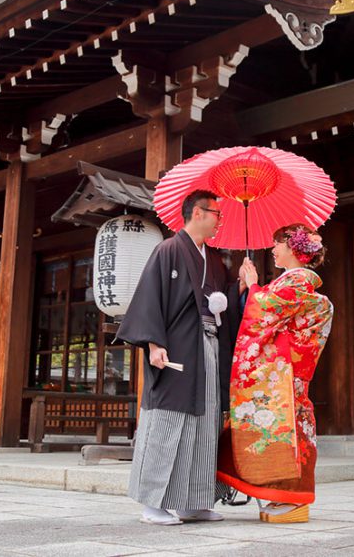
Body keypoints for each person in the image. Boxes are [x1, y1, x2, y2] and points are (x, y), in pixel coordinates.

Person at [117, 190, 240, 526]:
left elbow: (221, 302)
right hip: (175, 348)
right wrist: (154, 343)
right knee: (167, 420)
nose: (220, 220)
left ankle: (193, 501)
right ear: (197, 213)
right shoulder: (168, 250)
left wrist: (239, 287)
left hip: (208, 347)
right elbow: (150, 298)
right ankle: (152, 503)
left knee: (205, 421)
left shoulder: (214, 260)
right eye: (217, 213)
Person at [216, 224, 333, 524]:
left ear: (294, 248)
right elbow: (262, 311)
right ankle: (282, 495)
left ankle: (294, 500)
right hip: (284, 373)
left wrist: (254, 284)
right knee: (286, 434)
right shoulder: (293, 282)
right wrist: (248, 287)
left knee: (289, 435)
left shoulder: (296, 282)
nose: (272, 249)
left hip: (283, 375)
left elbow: (262, 311)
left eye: (277, 244)